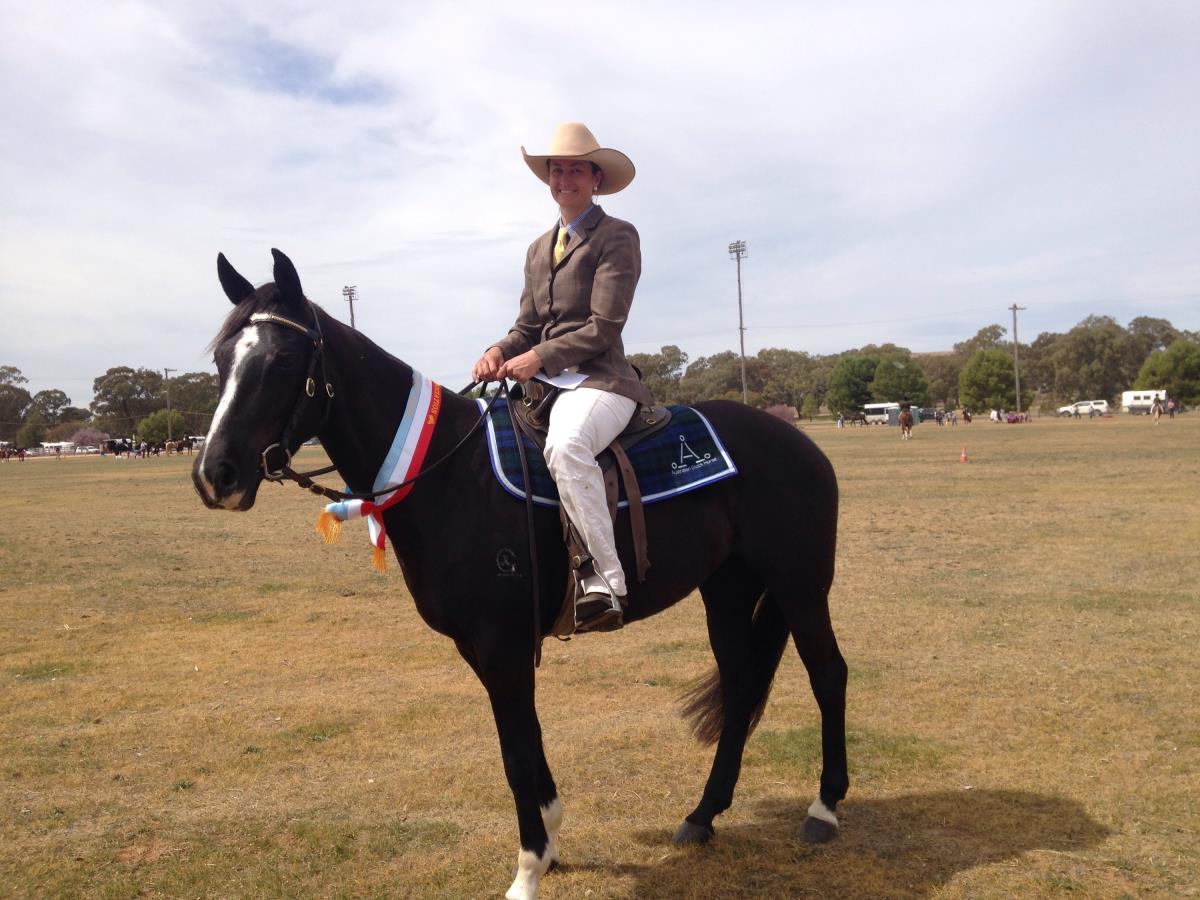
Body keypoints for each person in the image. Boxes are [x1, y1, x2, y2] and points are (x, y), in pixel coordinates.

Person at [472, 123, 650, 632]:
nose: (564, 178)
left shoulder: (617, 236)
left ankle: (606, 583)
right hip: (544, 388)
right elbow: (526, 326)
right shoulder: (537, 249)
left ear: (596, 179)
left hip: (600, 382)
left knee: (567, 447)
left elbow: (604, 325)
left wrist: (539, 357)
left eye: (575, 169)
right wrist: (499, 349)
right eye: (557, 170)